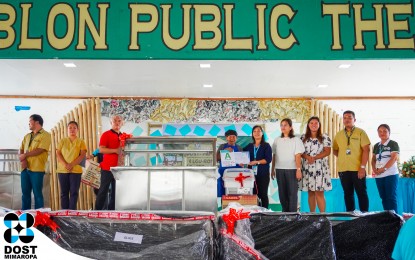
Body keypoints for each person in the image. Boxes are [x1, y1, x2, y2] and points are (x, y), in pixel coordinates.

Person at [333, 110, 370, 212]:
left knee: (361, 193)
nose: (347, 119)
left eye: (349, 117)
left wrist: (362, 167)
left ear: (354, 120)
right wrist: (342, 158)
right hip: (343, 170)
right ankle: (351, 217)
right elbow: (335, 150)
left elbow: (366, 150)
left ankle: (364, 216)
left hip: (358, 169)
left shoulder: (361, 132)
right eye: (345, 118)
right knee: (347, 194)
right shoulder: (339, 135)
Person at [271, 118, 305, 212]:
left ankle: (292, 215)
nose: (283, 127)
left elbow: (298, 156)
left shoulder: (296, 140)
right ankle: (284, 214)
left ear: (290, 127)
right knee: (282, 194)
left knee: (292, 194)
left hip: (292, 169)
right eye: (281, 125)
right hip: (279, 169)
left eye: (285, 125)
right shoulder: (277, 140)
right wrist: (272, 169)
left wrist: (298, 169)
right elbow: (274, 155)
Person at [19, 114, 51, 210]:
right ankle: (25, 218)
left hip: (37, 169)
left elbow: (40, 149)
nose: (29, 123)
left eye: (30, 121)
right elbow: (21, 149)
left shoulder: (46, 135)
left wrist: (25, 155)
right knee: (25, 195)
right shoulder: (27, 136)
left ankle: (39, 219)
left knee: (37, 194)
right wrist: (23, 160)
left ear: (37, 122)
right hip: (25, 169)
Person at [300, 116, 332, 212]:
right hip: (307, 167)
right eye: (311, 123)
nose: (314, 125)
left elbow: (327, 151)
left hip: (320, 167)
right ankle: (312, 215)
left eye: (316, 123)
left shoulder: (324, 137)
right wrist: (307, 157)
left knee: (319, 192)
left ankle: (322, 215)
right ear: (308, 125)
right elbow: (300, 152)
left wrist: (314, 157)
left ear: (319, 125)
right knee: (310, 192)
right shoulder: (303, 137)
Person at [56, 121, 87, 210]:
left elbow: (82, 155)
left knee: (74, 192)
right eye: (70, 128)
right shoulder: (62, 141)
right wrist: (66, 165)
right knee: (64, 193)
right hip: (62, 170)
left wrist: (71, 165)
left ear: (78, 130)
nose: (72, 130)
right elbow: (58, 153)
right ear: (67, 129)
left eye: (74, 128)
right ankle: (64, 212)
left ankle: (72, 213)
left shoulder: (81, 141)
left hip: (76, 170)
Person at [95, 115, 123, 210]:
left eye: (119, 121)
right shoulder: (106, 134)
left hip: (119, 168)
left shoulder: (124, 136)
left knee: (116, 193)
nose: (117, 122)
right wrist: (115, 150)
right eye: (115, 120)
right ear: (111, 122)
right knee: (103, 191)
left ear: (122, 123)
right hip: (107, 168)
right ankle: (97, 212)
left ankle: (112, 213)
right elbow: (101, 150)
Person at [371, 124, 399, 213]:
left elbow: (394, 158)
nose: (382, 133)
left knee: (390, 197)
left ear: (389, 132)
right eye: (380, 131)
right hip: (379, 175)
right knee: (383, 197)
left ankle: (395, 219)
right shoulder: (376, 145)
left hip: (390, 174)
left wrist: (384, 169)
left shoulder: (393, 143)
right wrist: (374, 169)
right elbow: (373, 159)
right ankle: (388, 218)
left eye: (385, 131)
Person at [244, 125, 272, 208]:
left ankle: (265, 213)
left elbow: (268, 159)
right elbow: (243, 155)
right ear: (252, 134)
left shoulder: (266, 146)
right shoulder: (249, 146)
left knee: (263, 193)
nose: (256, 133)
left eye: (258, 131)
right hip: (250, 175)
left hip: (263, 174)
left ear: (262, 133)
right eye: (254, 131)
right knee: (252, 193)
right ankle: (255, 212)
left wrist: (257, 162)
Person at [216, 129, 243, 197]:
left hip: (236, 173)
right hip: (224, 172)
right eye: (230, 136)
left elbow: (242, 160)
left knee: (235, 190)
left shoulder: (239, 148)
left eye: (234, 136)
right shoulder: (222, 146)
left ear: (236, 138)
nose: (232, 138)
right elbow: (216, 158)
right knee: (223, 190)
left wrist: (242, 163)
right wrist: (225, 151)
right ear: (226, 138)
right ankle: (223, 204)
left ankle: (236, 205)